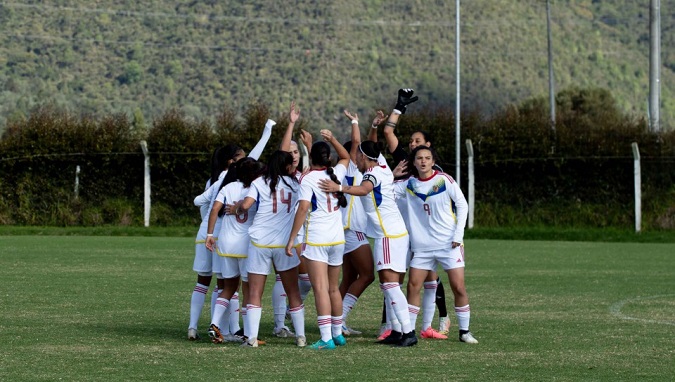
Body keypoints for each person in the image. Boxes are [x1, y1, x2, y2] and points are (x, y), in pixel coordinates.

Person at [319, 93, 418, 347]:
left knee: (388, 284)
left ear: (364, 158)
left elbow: (364, 189)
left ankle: (407, 332)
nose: (356, 159)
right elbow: (369, 146)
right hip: (397, 234)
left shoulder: (372, 173)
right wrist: (372, 126)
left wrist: (338, 188)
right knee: (389, 283)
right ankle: (398, 331)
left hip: (387, 235)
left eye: (358, 156)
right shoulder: (382, 165)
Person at [372, 88, 452, 338]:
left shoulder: (433, 171)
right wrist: (399, 107)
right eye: (411, 142)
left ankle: (433, 323)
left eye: (418, 142)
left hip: (426, 231)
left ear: (428, 147)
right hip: (402, 230)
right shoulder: (407, 162)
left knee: (430, 278)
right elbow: (388, 131)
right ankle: (391, 327)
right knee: (397, 278)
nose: (412, 145)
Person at [187, 120, 274, 341]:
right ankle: (238, 331)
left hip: (216, 239)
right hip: (240, 244)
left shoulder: (221, 184)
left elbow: (202, 202)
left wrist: (208, 229)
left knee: (217, 285)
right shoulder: (253, 188)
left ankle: (207, 327)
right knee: (242, 289)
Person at [393, 145, 478, 344]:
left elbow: (463, 204)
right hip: (422, 247)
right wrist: (393, 175)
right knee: (413, 287)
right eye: (419, 158)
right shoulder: (408, 183)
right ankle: (410, 333)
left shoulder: (444, 180)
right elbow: (383, 192)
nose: (423, 161)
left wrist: (458, 234)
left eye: (427, 158)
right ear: (414, 162)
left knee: (458, 287)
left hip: (449, 244)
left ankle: (464, 332)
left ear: (433, 161)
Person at [227, 150, 306, 348]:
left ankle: (252, 338)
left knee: (254, 292)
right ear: (287, 166)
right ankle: (301, 337)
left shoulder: (259, 182)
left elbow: (245, 205)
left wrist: (236, 208)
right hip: (283, 244)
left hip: (259, 243)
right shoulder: (295, 184)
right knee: (293, 292)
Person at [286, 129, 351, 350]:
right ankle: (337, 333)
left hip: (317, 240)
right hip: (337, 239)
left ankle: (325, 339)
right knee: (333, 288)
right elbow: (346, 157)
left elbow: (303, 208)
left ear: (311, 157)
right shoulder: (335, 174)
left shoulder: (308, 178)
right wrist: (333, 138)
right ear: (328, 158)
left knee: (320, 288)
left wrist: (292, 238)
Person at [205, 157, 265, 344]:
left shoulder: (228, 187)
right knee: (248, 291)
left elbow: (215, 209)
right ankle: (248, 334)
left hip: (226, 244)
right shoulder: (256, 188)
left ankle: (214, 324)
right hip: (246, 246)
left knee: (228, 287)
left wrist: (209, 234)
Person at [338, 110, 375, 336]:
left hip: (345, 229)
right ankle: (339, 319)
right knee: (368, 275)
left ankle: (336, 321)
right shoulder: (350, 168)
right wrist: (354, 122)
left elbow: (368, 147)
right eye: (357, 153)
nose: (360, 155)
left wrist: (373, 126)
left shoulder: (347, 172)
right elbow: (358, 144)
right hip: (353, 230)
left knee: (350, 277)